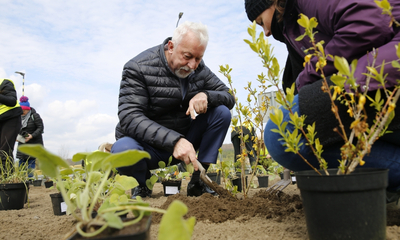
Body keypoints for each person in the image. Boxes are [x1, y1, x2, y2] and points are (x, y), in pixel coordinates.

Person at [244, 0, 400, 194]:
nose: (266, 32)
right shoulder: (293, 21)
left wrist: (309, 75)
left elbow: (370, 22)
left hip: (384, 73)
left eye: (261, 22)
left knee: (280, 133)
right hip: (374, 75)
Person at [112, 21, 235, 198]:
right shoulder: (138, 67)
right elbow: (130, 116)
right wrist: (175, 141)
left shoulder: (199, 69)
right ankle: (141, 184)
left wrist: (206, 95)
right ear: (171, 46)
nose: (193, 65)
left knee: (221, 113)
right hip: (149, 146)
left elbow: (228, 95)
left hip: (186, 140)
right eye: (187, 56)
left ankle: (198, 180)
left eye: (198, 58)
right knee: (122, 149)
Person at [16, 96, 44, 175]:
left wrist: (32, 136)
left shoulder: (35, 116)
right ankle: (21, 180)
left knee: (31, 162)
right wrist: (16, 137)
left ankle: (30, 180)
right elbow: (16, 128)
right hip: (22, 143)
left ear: (27, 109)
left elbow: (40, 128)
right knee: (21, 162)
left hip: (33, 143)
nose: (21, 112)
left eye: (23, 110)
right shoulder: (18, 118)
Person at [0, 78, 22, 172]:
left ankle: (8, 180)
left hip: (11, 118)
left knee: (4, 152)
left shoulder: (4, 83)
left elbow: (12, 101)